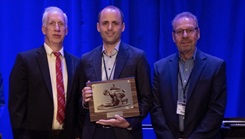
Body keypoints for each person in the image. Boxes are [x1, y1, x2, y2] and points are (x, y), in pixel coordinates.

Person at [150, 11, 227, 139]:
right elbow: (155, 109)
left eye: (190, 30)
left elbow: (216, 111)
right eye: (179, 31)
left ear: (198, 33)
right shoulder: (160, 68)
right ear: (173, 37)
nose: (185, 35)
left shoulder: (216, 67)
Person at [8, 6, 81, 139]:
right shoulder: (25, 61)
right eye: (52, 23)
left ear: (67, 30)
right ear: (44, 29)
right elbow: (16, 107)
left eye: (61, 24)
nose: (57, 28)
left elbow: (77, 106)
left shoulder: (76, 64)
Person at [80, 5, 152, 139]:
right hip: (94, 133)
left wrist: (129, 123)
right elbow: (78, 102)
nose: (110, 28)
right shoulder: (86, 59)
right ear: (98, 27)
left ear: (123, 27)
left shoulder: (137, 57)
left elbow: (147, 99)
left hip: (125, 133)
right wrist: (84, 101)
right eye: (105, 23)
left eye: (115, 23)